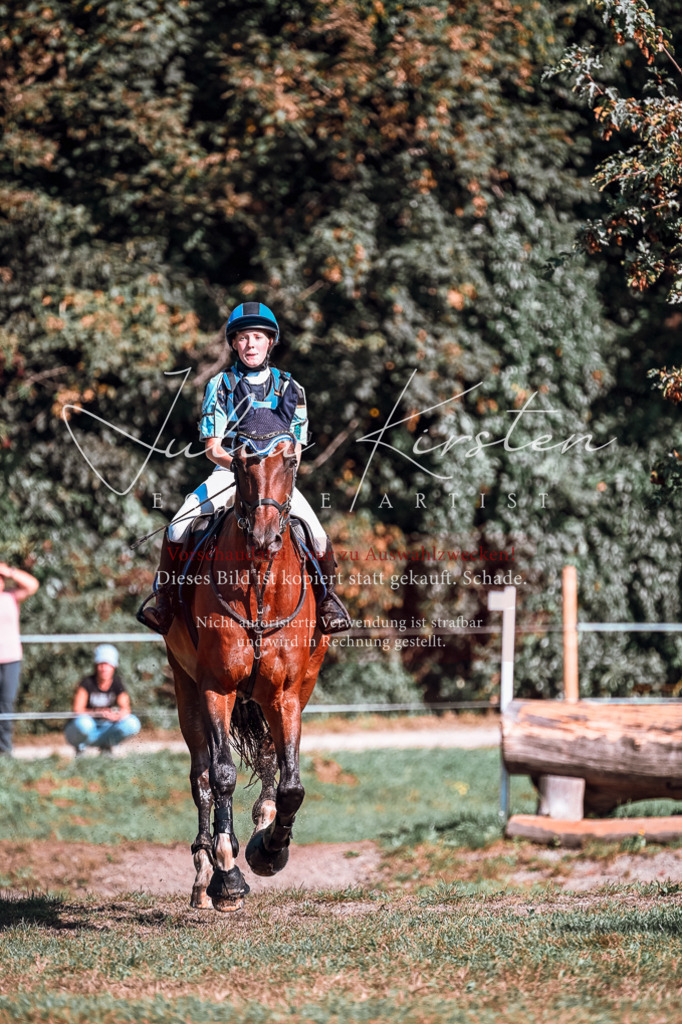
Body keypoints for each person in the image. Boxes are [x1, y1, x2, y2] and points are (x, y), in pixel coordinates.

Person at [138, 301, 351, 636]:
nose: (250, 344)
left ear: (270, 342)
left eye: (258, 337)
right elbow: (213, 448)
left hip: (276, 481)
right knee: (178, 527)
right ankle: (164, 601)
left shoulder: (291, 389)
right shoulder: (219, 386)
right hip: (229, 474)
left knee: (318, 535)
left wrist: (270, 470)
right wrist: (242, 468)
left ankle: (327, 603)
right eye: (243, 338)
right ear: (234, 344)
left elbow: (295, 446)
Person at [65, 644, 141, 755]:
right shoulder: (87, 683)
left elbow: (126, 709)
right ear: (96, 665)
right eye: (101, 664)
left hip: (106, 727)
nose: (104, 668)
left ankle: (107, 746)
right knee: (84, 723)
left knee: (132, 723)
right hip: (88, 728)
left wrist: (117, 716)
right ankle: (80, 748)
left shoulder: (117, 683)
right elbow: (77, 710)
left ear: (114, 666)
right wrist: (99, 713)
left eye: (108, 664)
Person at [0, 562, 40, 756]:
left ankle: (5, 748)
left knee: (6, 703)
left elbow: (32, 585)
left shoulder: (10, 597)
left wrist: (9, 571)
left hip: (10, 659)